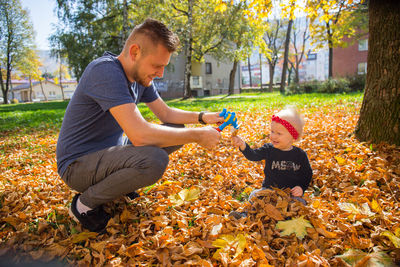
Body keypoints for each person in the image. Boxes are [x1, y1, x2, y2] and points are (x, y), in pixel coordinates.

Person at [56, 18, 224, 233]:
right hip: (77, 165)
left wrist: (202, 117)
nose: (160, 73)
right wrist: (198, 136)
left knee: (176, 128)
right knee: (154, 160)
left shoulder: (140, 78)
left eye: (164, 66)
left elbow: (167, 113)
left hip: (108, 152)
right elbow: (140, 136)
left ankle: (119, 185)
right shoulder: (105, 72)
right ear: (134, 52)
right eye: (157, 66)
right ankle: (84, 205)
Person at [229, 107, 313, 219]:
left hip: (289, 195)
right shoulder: (269, 149)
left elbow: (307, 174)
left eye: (279, 133)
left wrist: (301, 187)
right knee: (255, 195)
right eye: (272, 131)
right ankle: (245, 215)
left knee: (300, 203)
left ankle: (286, 218)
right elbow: (253, 155)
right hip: (269, 191)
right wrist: (243, 145)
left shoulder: (300, 155)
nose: (273, 136)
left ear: (293, 136)